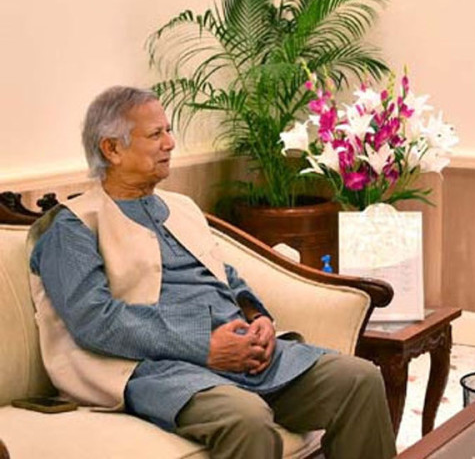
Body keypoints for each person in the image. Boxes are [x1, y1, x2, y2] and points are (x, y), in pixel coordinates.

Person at [27, 86, 396, 459]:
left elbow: (226, 275)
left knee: (359, 380)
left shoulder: (181, 207)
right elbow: (96, 321)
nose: (170, 143)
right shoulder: (72, 228)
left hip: (244, 356)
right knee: (247, 419)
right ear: (112, 149)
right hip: (159, 371)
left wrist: (260, 318)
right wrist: (205, 347)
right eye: (156, 134)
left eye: (168, 130)